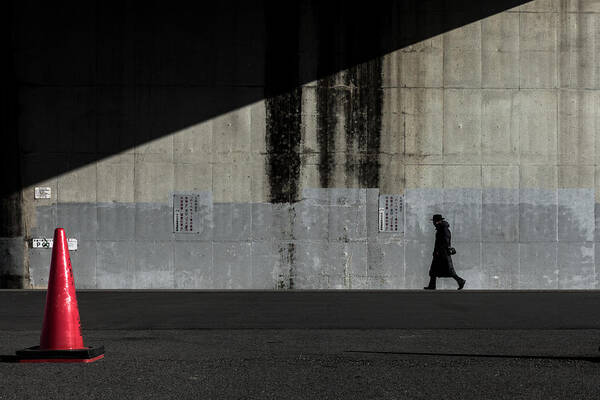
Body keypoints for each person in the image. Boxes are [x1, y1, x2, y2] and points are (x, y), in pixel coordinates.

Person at [424, 214, 466, 290]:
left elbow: (445, 241)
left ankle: (460, 281)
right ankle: (432, 285)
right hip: (440, 253)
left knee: (449, 271)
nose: (433, 223)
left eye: (434, 221)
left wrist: (439, 251)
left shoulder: (443, 229)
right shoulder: (441, 228)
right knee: (434, 270)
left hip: (442, 254)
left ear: (437, 221)